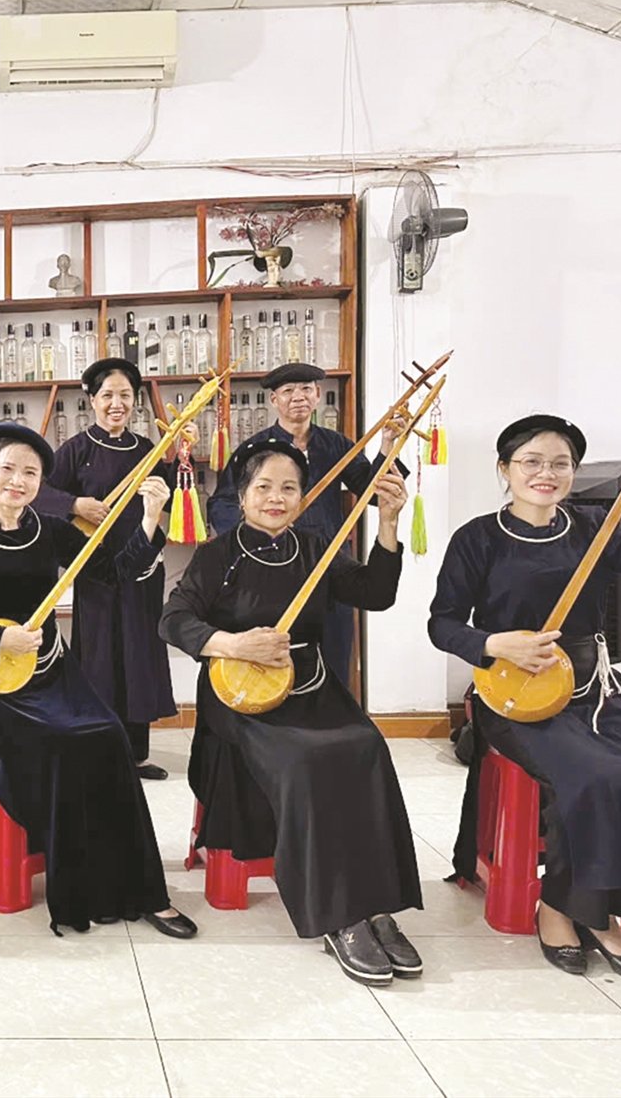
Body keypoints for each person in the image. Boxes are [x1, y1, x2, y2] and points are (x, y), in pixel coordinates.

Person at [429, 413, 621, 983]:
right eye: (531, 461)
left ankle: (590, 909)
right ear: (504, 469)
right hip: (516, 698)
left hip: (595, 688)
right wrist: (492, 643)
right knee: (589, 776)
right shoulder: (478, 538)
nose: (546, 473)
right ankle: (570, 912)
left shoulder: (594, 526)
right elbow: (442, 624)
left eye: (560, 463)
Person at [161, 436, 424, 985]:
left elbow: (376, 593)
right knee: (308, 762)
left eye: (289, 488)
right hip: (244, 696)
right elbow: (174, 619)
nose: (276, 497)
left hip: (312, 686)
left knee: (366, 746)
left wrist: (389, 524)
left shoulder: (315, 547)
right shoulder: (219, 554)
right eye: (264, 487)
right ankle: (338, 915)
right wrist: (232, 645)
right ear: (242, 493)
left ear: (303, 497)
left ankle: (377, 905)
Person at [0, 423, 198, 938]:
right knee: (54, 743)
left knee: (108, 736)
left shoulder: (49, 529)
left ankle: (143, 889)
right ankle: (82, 872)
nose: (18, 481)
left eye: (30, 473)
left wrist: (149, 518)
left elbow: (113, 572)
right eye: (8, 469)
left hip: (51, 674)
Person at [206, 363, 405, 686]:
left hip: (330, 564)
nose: (297, 397)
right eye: (287, 391)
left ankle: (335, 727)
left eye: (305, 389)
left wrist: (386, 445)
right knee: (278, 656)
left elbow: (371, 493)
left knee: (335, 655)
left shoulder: (338, 445)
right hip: (272, 567)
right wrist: (253, 540)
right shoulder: (255, 450)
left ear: (317, 396)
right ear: (274, 400)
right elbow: (222, 502)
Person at [47, 358, 178, 779]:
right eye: (108, 396)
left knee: (138, 654)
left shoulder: (148, 450)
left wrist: (170, 481)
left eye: (125, 395)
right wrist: (74, 504)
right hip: (97, 570)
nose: (116, 404)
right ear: (91, 400)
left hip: (141, 564)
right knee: (100, 657)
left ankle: (136, 754)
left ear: (136, 401)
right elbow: (42, 493)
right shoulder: (75, 450)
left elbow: (170, 502)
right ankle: (101, 752)